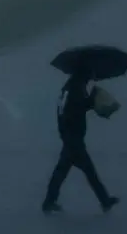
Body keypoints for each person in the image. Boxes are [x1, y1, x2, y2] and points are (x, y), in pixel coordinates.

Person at [42, 68, 119, 214]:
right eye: (90, 74)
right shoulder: (76, 89)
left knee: (62, 172)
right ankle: (105, 201)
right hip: (73, 138)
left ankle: (49, 202)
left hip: (69, 137)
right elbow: (75, 109)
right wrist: (91, 102)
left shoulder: (69, 88)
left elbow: (68, 109)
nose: (92, 77)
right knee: (88, 171)